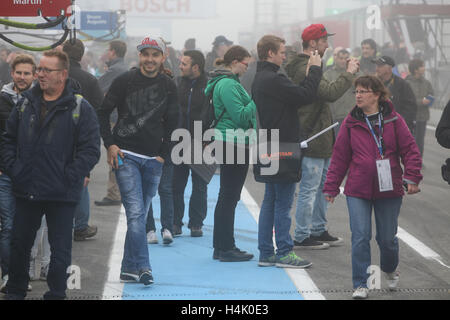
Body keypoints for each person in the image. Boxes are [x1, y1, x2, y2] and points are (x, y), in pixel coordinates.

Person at [1, 50, 101, 300]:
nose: (40, 75)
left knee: (60, 250)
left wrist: (71, 176)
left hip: (62, 192)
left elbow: (90, 150)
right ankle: (15, 291)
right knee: (20, 244)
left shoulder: (80, 107)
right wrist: (16, 169)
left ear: (63, 75)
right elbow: (8, 140)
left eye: (46, 70)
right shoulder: (25, 102)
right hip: (27, 188)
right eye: (39, 70)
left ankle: (56, 293)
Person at [323, 75, 422, 299]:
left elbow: (411, 150)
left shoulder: (394, 120)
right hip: (357, 189)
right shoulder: (351, 122)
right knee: (360, 236)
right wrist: (331, 187)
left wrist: (412, 177)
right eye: (356, 91)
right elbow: (339, 157)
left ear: (376, 95)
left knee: (387, 239)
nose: (357, 95)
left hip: (389, 189)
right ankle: (361, 283)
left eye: (363, 91)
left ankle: (389, 268)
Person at [97, 36, 179, 285]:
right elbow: (102, 112)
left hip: (153, 159)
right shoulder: (125, 80)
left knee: (140, 216)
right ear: (139, 55)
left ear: (162, 58)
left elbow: (175, 122)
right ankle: (144, 266)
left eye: (155, 55)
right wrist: (110, 144)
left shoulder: (168, 85)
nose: (150, 59)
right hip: (126, 156)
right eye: (146, 54)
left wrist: (163, 154)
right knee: (135, 213)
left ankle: (128, 268)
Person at [285, 24, 360, 250]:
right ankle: (301, 235)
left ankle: (318, 228)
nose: (328, 45)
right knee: (309, 188)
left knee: (322, 187)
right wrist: (349, 74)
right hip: (312, 136)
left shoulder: (312, 64)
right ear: (314, 43)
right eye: (324, 40)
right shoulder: (304, 67)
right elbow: (329, 92)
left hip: (321, 135)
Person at [252, 35, 323, 268]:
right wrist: (314, 71)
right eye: (282, 52)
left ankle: (266, 252)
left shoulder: (261, 77)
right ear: (270, 53)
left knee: (271, 201)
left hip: (268, 143)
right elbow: (305, 96)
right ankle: (284, 252)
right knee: (282, 203)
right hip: (282, 146)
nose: (285, 55)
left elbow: (293, 95)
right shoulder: (273, 79)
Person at [204, 45, 256, 262]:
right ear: (235, 61)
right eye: (246, 64)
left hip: (231, 141)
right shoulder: (227, 84)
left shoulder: (228, 82)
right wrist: (256, 100)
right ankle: (226, 247)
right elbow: (241, 117)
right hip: (232, 142)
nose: (247, 68)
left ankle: (221, 246)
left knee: (227, 196)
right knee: (229, 197)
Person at [0, 54, 37, 294]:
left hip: (33, 175)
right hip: (4, 173)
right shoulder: (1, 100)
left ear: (34, 75)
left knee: (29, 227)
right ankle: (9, 275)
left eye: (27, 73)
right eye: (19, 72)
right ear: (12, 73)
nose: (22, 77)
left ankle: (22, 271)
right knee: (9, 226)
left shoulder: (41, 100)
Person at [62, 39, 104, 241]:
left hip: (54, 135)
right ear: (81, 55)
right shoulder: (90, 79)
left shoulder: (53, 75)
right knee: (81, 179)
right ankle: (79, 225)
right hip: (81, 137)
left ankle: (61, 223)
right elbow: (99, 108)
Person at [171, 50, 209, 238]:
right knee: (176, 185)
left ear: (196, 67)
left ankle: (196, 224)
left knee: (199, 186)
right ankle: (175, 223)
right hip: (178, 141)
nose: (180, 66)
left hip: (201, 143)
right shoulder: (177, 84)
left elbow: (214, 114)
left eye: (184, 64)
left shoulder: (209, 86)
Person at [95, 40, 129, 207]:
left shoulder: (115, 70)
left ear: (113, 52)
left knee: (114, 152)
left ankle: (114, 193)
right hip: (122, 116)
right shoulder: (124, 68)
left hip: (115, 117)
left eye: (108, 50)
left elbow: (97, 87)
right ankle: (117, 191)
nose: (106, 53)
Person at [374, 56, 418, 134]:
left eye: (380, 66)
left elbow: (411, 107)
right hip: (376, 127)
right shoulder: (372, 83)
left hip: (395, 128)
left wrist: (401, 124)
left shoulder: (401, 84)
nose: (377, 69)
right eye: (376, 66)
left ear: (389, 68)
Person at [324, 49, 361, 134]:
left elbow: (363, 85)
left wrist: (355, 72)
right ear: (336, 59)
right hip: (336, 117)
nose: (343, 61)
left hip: (353, 116)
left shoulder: (356, 73)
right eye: (341, 58)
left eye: (345, 58)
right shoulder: (328, 74)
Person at [405, 59, 434, 158]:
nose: (424, 68)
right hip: (411, 117)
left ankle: (418, 160)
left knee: (420, 140)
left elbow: (431, 94)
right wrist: (421, 101)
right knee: (411, 140)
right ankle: (410, 160)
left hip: (423, 116)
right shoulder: (407, 83)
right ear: (416, 69)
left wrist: (430, 99)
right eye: (422, 66)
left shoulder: (426, 83)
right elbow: (406, 100)